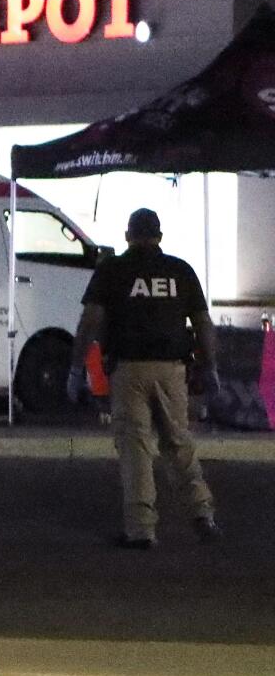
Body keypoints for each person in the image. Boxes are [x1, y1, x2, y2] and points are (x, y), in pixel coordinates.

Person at [68, 208, 222, 549]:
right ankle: (202, 514)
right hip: (172, 370)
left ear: (128, 236)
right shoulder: (180, 270)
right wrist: (209, 366)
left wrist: (77, 368)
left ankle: (141, 530)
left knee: (135, 447)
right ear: (160, 237)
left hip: (129, 369)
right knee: (178, 442)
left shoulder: (112, 270)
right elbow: (202, 323)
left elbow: (90, 320)